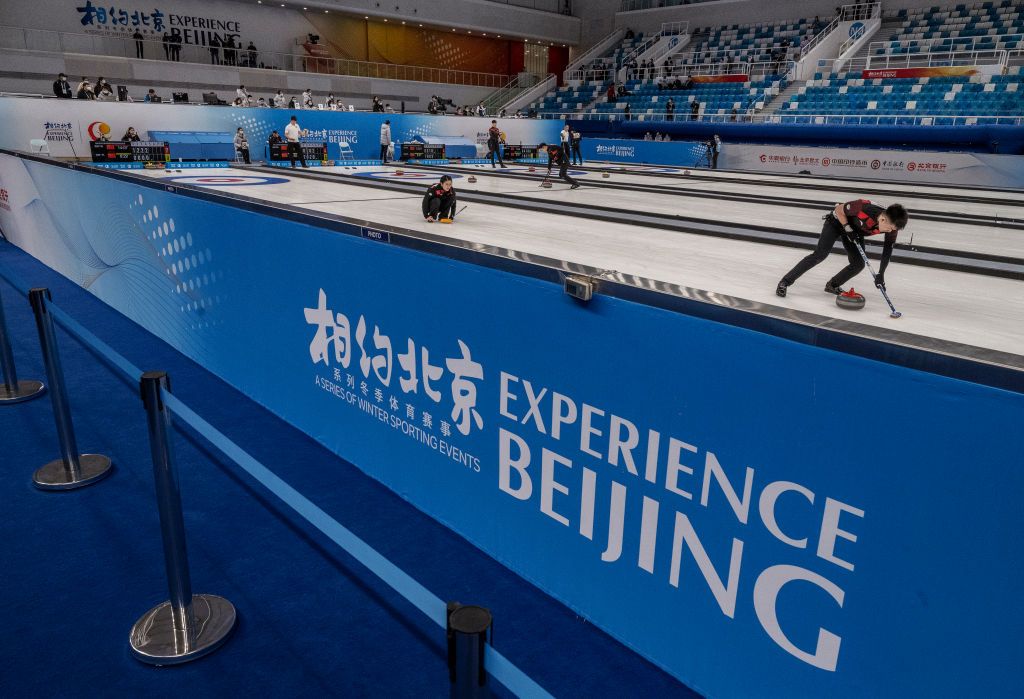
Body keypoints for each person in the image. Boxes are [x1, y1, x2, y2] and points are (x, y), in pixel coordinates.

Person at [776, 200, 910, 298]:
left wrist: (881, 274)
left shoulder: (892, 229)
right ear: (882, 219)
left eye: (894, 229)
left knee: (858, 264)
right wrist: (847, 227)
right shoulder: (864, 207)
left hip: (855, 232)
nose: (891, 231)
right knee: (820, 255)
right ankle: (785, 282)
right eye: (890, 228)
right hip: (836, 222)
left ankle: (832, 285)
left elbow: (887, 251)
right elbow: (839, 209)